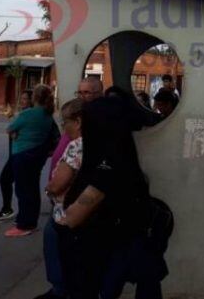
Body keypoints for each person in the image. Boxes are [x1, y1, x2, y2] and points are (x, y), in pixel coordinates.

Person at [56, 98, 166, 299]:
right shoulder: (119, 156)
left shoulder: (106, 169)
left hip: (100, 260)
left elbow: (73, 217)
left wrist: (62, 211)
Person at [34, 99, 85, 299]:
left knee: (58, 254)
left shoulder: (78, 145)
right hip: (74, 212)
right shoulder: (94, 141)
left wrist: (49, 189)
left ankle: (60, 291)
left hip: (65, 213)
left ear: (78, 122)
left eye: (66, 122)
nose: (64, 127)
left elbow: (58, 184)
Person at [6, 84, 56, 237]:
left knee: (23, 190)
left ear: (35, 97)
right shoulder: (48, 115)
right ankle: (30, 221)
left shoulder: (28, 114)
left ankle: (24, 224)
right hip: (38, 154)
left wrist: (15, 134)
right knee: (32, 188)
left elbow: (10, 128)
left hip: (22, 153)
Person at [0, 89, 33, 222]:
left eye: (25, 99)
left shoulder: (28, 115)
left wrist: (12, 128)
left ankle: (19, 214)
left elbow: (14, 133)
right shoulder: (24, 114)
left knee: (18, 185)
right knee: (11, 181)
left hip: (19, 154)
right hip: (15, 154)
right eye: (21, 99)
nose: (22, 101)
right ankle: (11, 210)